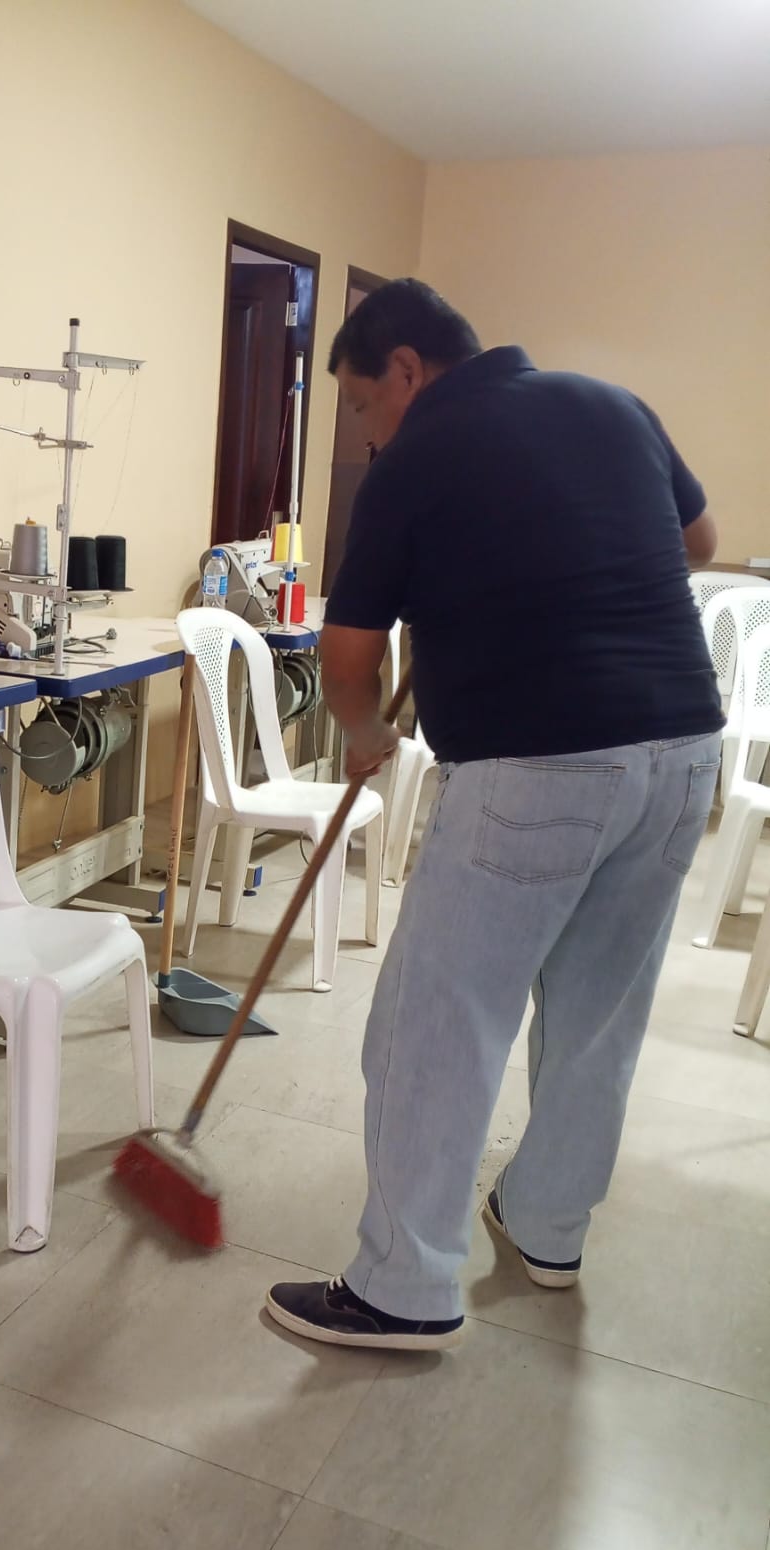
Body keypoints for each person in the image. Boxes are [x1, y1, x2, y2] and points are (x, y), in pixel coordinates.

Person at [265, 279, 723, 1350]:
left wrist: (362, 735)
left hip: (538, 766)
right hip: (681, 754)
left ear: (406, 370)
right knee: (598, 1012)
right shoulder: (612, 404)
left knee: (437, 1020)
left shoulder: (416, 456)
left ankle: (400, 1289)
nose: (369, 434)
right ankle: (548, 1226)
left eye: (363, 405)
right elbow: (698, 542)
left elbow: (346, 659)